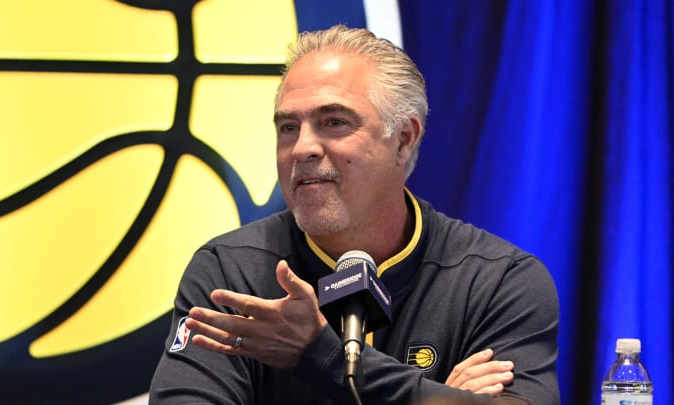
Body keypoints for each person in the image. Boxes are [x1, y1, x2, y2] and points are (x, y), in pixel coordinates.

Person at [149, 25, 559, 404]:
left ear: (403, 140)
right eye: (288, 127)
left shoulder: (496, 280)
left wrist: (318, 352)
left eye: (333, 122)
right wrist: (437, 398)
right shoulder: (230, 273)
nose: (302, 148)